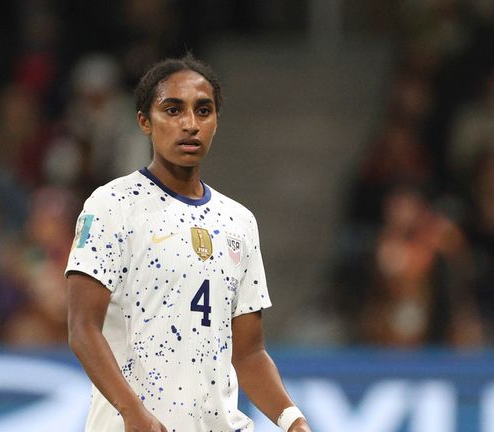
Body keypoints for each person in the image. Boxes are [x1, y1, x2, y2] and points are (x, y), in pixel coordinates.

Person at [66, 53, 312, 432]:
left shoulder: (239, 222)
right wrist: (133, 413)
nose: (190, 124)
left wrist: (292, 420)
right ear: (144, 122)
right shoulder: (112, 206)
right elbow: (83, 328)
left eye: (203, 110)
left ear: (216, 121)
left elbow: (249, 353)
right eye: (173, 110)